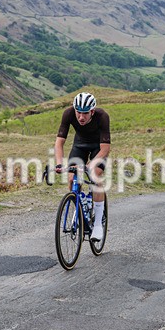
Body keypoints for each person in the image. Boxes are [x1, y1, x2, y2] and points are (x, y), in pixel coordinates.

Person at [54, 92, 110, 241]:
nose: (81, 117)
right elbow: (59, 142)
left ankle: (97, 224)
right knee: (72, 177)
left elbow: (105, 149)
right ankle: (80, 203)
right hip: (80, 145)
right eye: (78, 112)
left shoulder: (102, 116)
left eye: (85, 113)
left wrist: (91, 164)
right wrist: (59, 163)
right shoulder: (68, 114)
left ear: (92, 111)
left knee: (94, 175)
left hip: (98, 147)